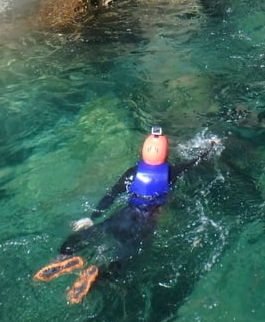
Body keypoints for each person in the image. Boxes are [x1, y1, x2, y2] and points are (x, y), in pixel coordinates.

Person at [32, 127, 221, 304]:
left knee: (85, 237)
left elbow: (112, 195)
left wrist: (91, 217)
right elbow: (194, 162)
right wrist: (212, 145)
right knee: (124, 266)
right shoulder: (170, 173)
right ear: (165, 155)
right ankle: (98, 275)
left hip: (122, 216)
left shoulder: (132, 173)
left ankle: (62, 257)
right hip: (144, 225)